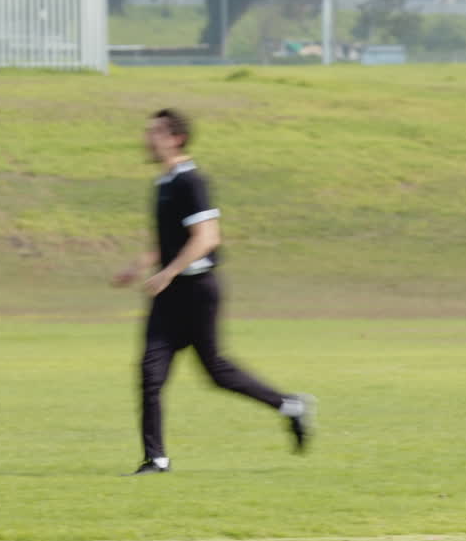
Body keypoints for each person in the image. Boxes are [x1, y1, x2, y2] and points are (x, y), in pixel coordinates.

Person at [112, 108, 315, 476]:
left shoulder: (193, 182)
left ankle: (290, 405)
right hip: (169, 292)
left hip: (196, 291)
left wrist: (169, 273)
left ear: (176, 138)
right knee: (150, 372)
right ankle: (155, 459)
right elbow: (170, 242)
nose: (147, 140)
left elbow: (207, 238)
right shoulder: (163, 184)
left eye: (154, 133)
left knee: (216, 371)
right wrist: (141, 266)